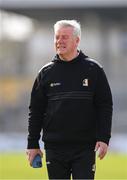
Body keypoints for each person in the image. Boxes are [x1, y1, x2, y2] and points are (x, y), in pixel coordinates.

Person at [26, 20, 113, 179]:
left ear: (77, 40)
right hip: (54, 148)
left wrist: (103, 137)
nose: (59, 41)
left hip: (85, 148)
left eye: (65, 37)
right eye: (57, 37)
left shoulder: (94, 70)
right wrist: (32, 144)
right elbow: (36, 111)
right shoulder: (45, 73)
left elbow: (105, 106)